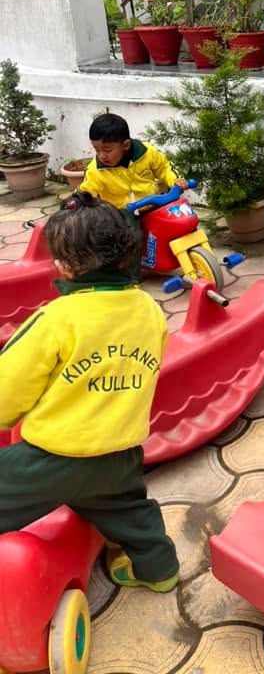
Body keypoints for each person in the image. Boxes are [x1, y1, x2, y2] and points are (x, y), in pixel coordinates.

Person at [0, 193, 179, 592]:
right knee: (132, 512)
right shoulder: (150, 309)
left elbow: (7, 390)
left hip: (53, 459)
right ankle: (160, 570)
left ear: (64, 266)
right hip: (122, 454)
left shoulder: (56, 319)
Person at [78, 112, 187, 210]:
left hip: (152, 205)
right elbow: (85, 193)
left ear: (126, 145)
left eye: (107, 150)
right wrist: (76, 203)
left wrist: (175, 180)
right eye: (96, 149)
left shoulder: (146, 152)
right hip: (121, 214)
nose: (101, 156)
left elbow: (164, 168)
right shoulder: (95, 170)